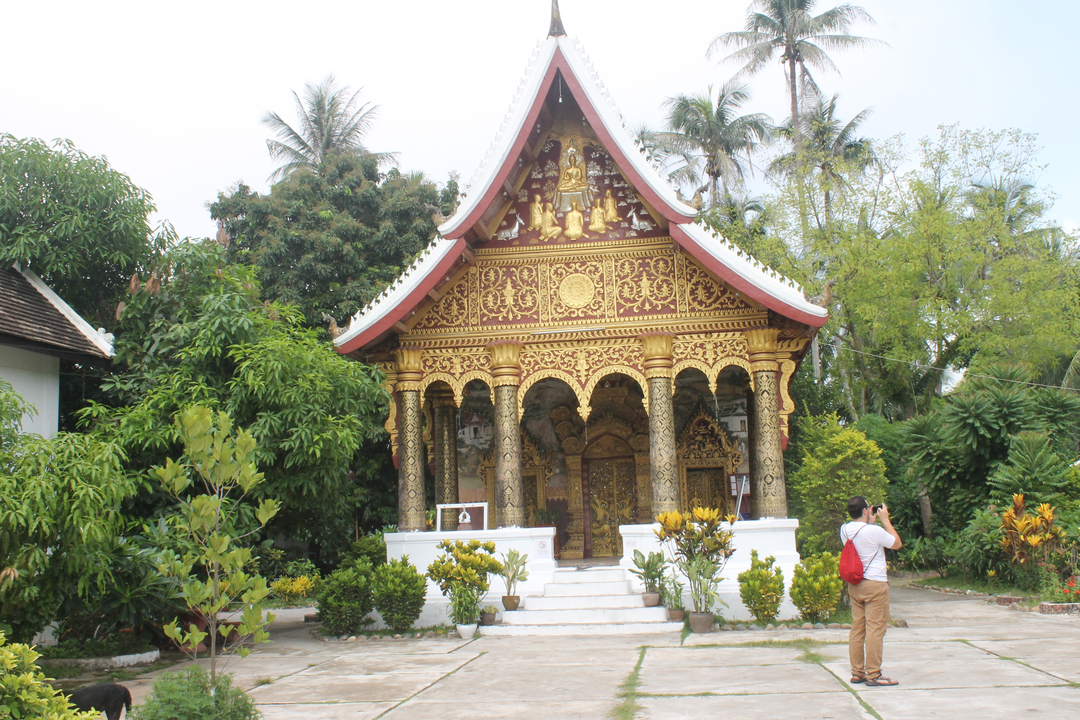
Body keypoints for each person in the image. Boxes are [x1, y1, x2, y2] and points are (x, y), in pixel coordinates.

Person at [841, 496, 902, 687]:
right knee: (875, 630)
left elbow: (862, 537)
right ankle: (874, 674)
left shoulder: (844, 530)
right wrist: (885, 520)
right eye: (869, 508)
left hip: (856, 585)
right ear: (865, 511)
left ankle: (857, 673)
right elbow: (896, 543)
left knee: (858, 628)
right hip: (875, 585)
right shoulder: (874, 531)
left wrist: (872, 523)